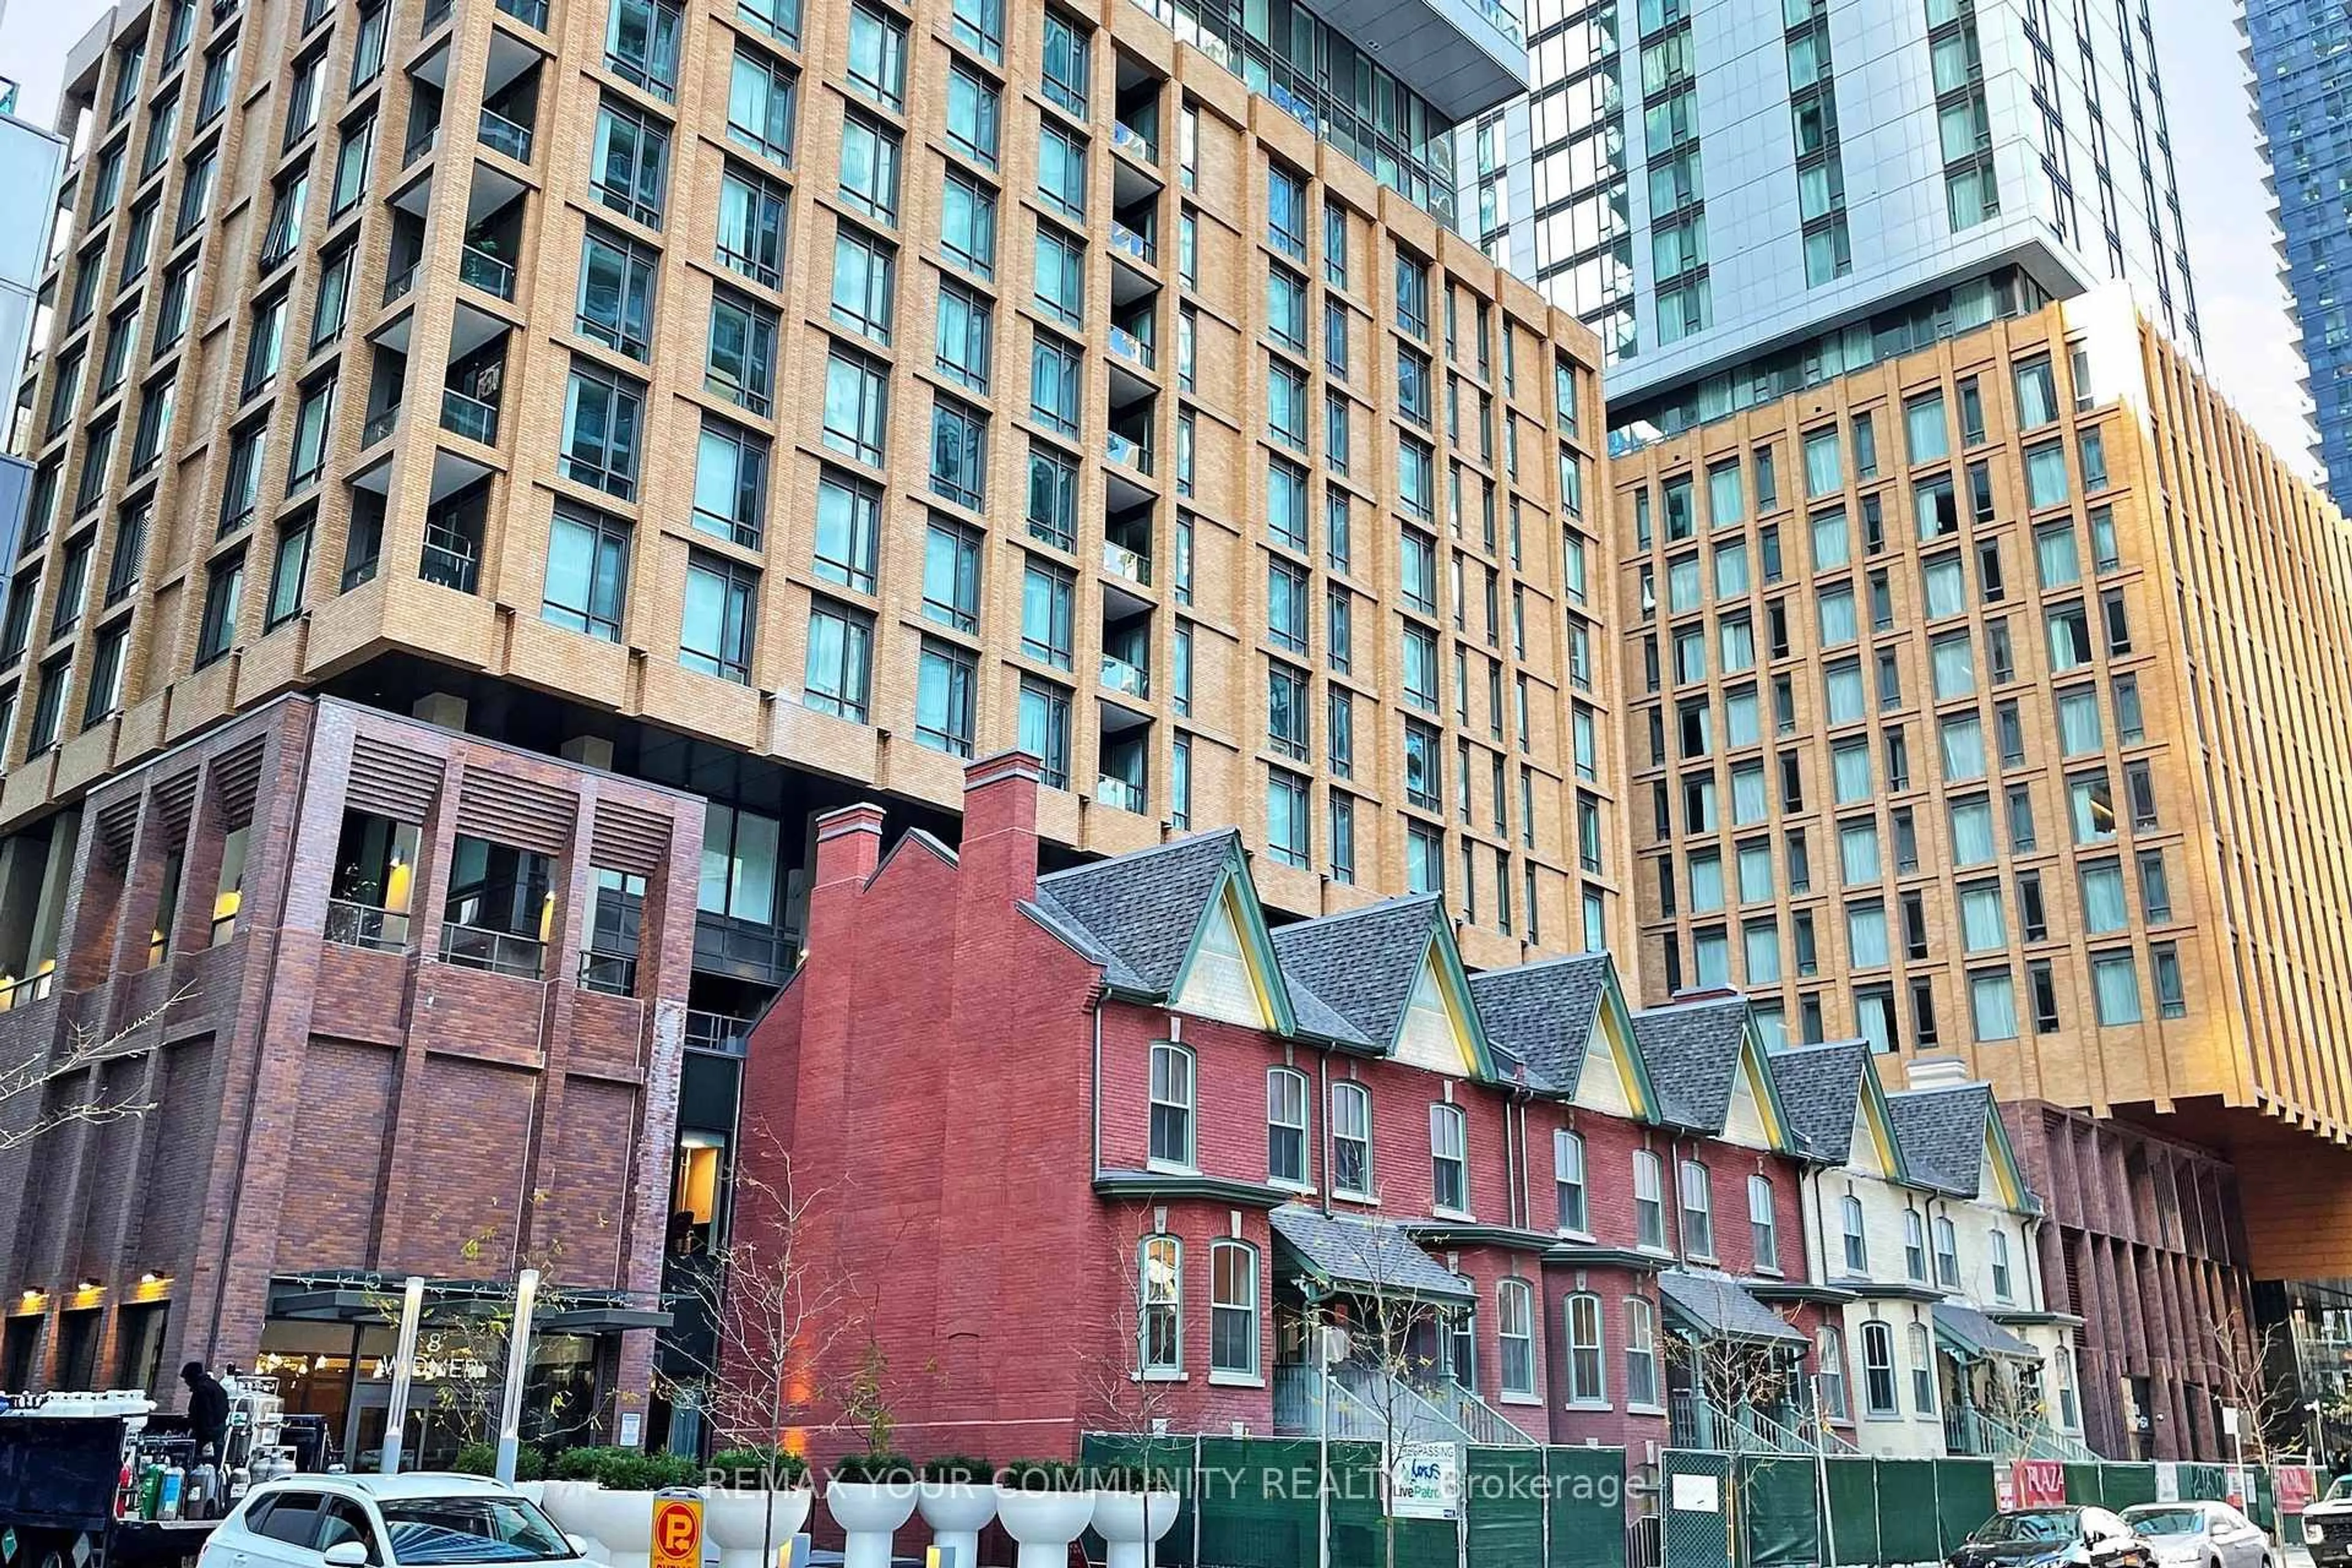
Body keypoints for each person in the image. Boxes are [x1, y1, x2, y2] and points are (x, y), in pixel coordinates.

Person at [181, 1361, 229, 1463]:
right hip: (219, 1429)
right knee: (214, 1461)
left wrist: (206, 1435)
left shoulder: (202, 1389)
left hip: (206, 1433)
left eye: (186, 1379)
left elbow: (205, 1413)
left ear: (192, 1377)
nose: (186, 1382)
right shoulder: (216, 1386)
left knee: (198, 1461)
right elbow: (225, 1409)